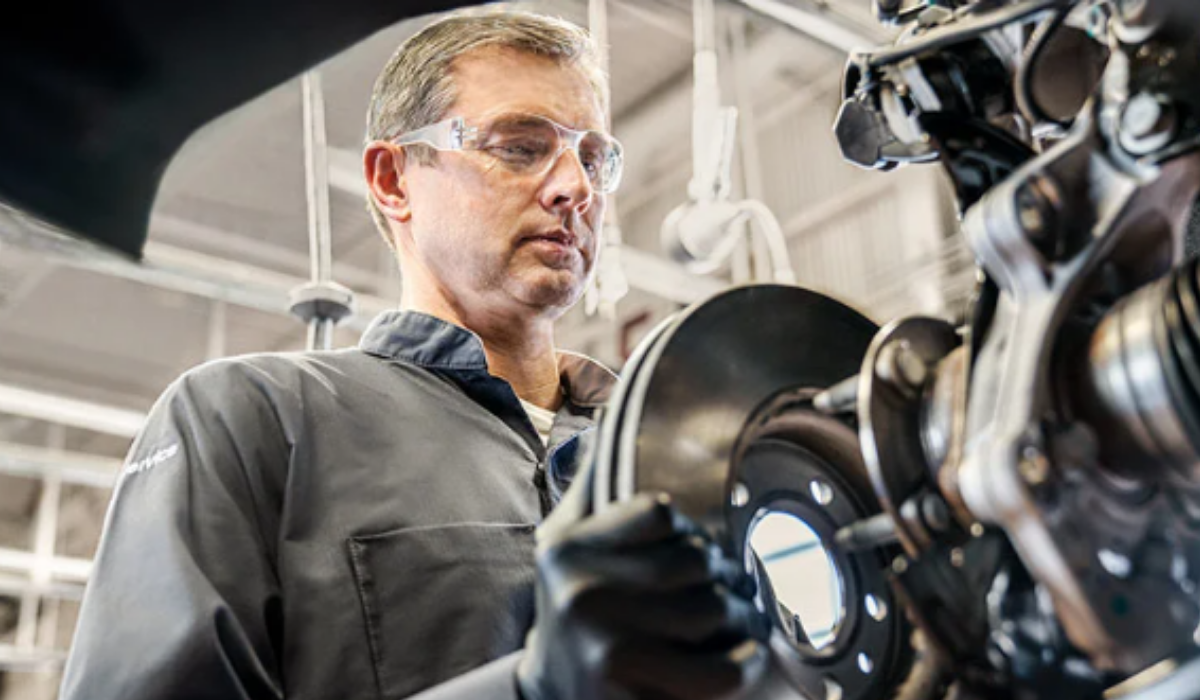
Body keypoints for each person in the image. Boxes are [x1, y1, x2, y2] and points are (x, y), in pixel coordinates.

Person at [60, 10, 766, 700]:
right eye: (520, 146)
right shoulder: (250, 422)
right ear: (394, 180)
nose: (574, 188)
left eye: (592, 158)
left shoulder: (663, 448)